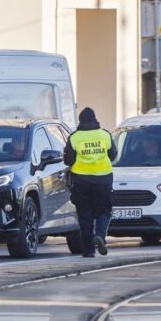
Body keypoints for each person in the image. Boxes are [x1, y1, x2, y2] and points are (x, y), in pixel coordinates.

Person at [64, 107, 117, 258]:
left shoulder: (74, 137)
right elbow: (113, 155)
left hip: (81, 181)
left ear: (80, 121)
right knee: (104, 211)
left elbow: (68, 160)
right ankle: (100, 235)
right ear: (95, 119)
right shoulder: (105, 134)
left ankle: (88, 251)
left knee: (85, 216)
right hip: (103, 180)